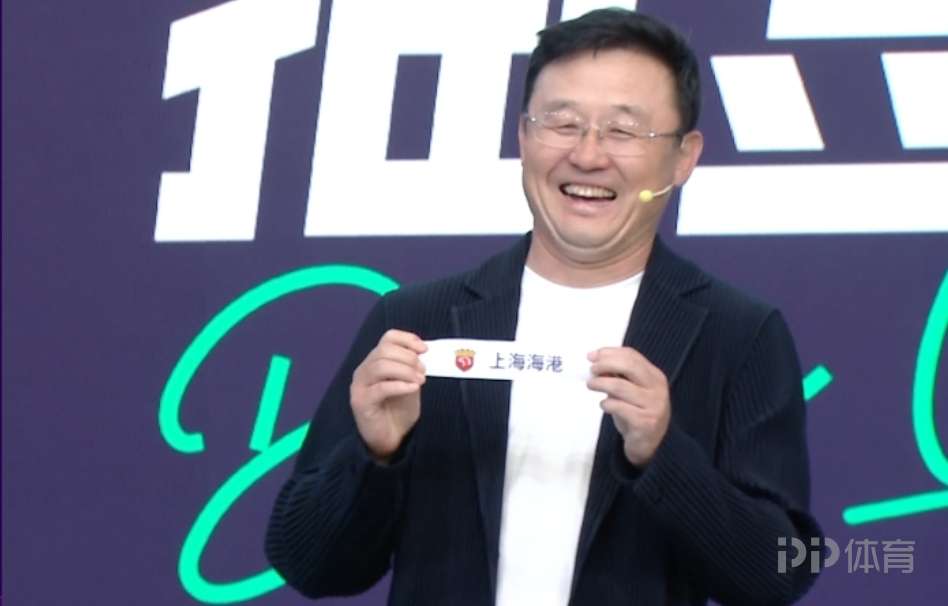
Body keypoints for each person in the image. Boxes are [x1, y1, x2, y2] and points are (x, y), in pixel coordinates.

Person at [266, 8, 822, 605]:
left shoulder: (739, 334)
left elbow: (784, 569)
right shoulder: (418, 324)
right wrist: (375, 454)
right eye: (562, 123)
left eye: (624, 130)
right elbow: (308, 564)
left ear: (684, 156)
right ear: (524, 136)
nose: (588, 155)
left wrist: (664, 455)